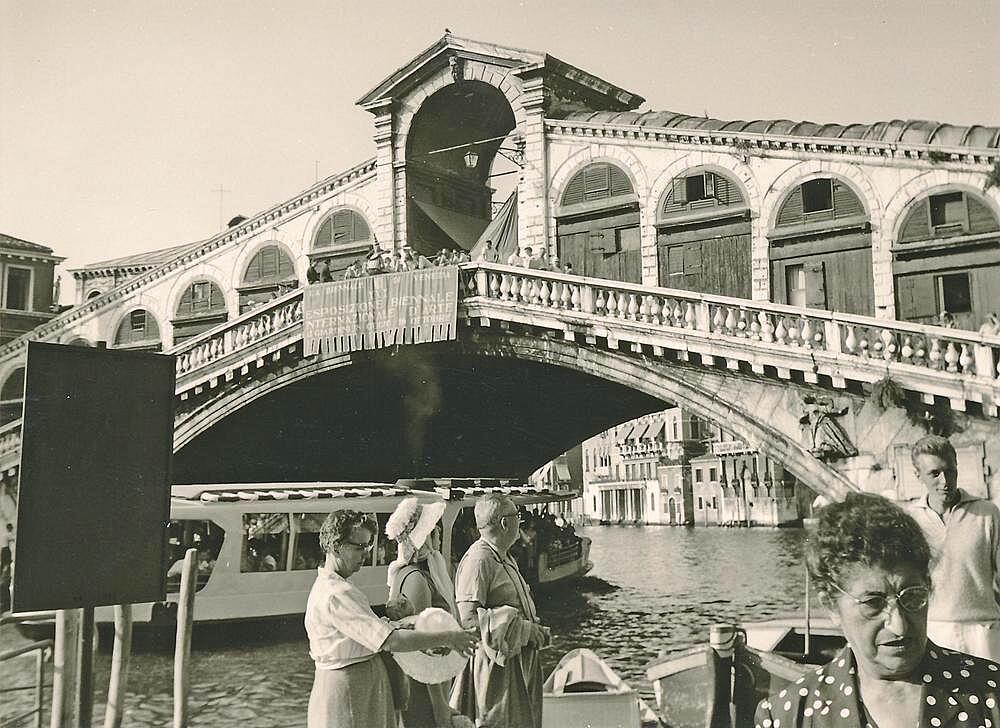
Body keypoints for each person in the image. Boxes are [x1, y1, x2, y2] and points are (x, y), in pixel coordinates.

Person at [755, 492, 1000, 728]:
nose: (899, 626)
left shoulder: (991, 693)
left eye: (912, 597)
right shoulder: (784, 717)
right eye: (873, 603)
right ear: (831, 605)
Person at [305, 510, 477, 728]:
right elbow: (390, 641)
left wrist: (401, 620)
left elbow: (368, 634)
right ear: (336, 546)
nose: (366, 554)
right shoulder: (336, 594)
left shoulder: (338, 588)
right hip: (350, 689)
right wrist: (449, 637)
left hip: (359, 686)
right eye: (360, 547)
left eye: (368, 547)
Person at [450, 494, 549, 728]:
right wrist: (523, 630)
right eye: (518, 516)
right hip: (495, 672)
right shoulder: (480, 560)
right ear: (505, 523)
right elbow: (467, 619)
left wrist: (531, 629)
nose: (520, 522)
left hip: (514, 662)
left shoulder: (502, 556)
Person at [902, 435, 1000, 661]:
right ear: (918, 476)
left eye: (951, 471)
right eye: (934, 474)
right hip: (932, 631)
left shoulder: (988, 513)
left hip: (983, 632)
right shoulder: (909, 520)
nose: (945, 481)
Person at [385, 498, 459, 728]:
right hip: (424, 688)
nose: (438, 531)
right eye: (432, 528)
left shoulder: (414, 574)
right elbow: (424, 649)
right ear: (423, 538)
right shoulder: (417, 579)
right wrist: (440, 705)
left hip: (429, 682)